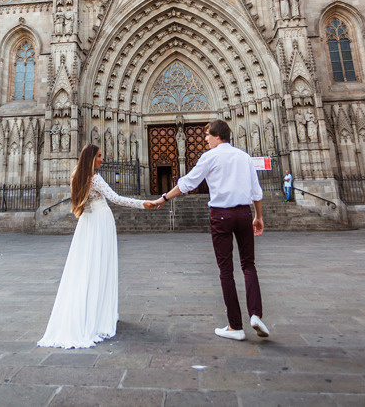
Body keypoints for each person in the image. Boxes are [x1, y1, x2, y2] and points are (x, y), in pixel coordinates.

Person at [150, 119, 269, 341]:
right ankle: (256, 314)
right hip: (244, 214)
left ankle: (235, 326)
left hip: (221, 215)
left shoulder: (210, 156)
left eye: (207, 136)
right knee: (249, 265)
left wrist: (164, 197)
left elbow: (188, 183)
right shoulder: (244, 157)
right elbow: (256, 192)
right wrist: (258, 217)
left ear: (217, 136)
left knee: (226, 271)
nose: (205, 139)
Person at [38, 144, 157, 349]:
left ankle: (90, 312)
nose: (102, 159)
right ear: (91, 157)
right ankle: (99, 316)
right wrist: (143, 203)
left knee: (87, 269)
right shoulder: (95, 179)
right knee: (100, 268)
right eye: (100, 156)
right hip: (100, 223)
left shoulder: (77, 176)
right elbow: (116, 199)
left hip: (87, 225)